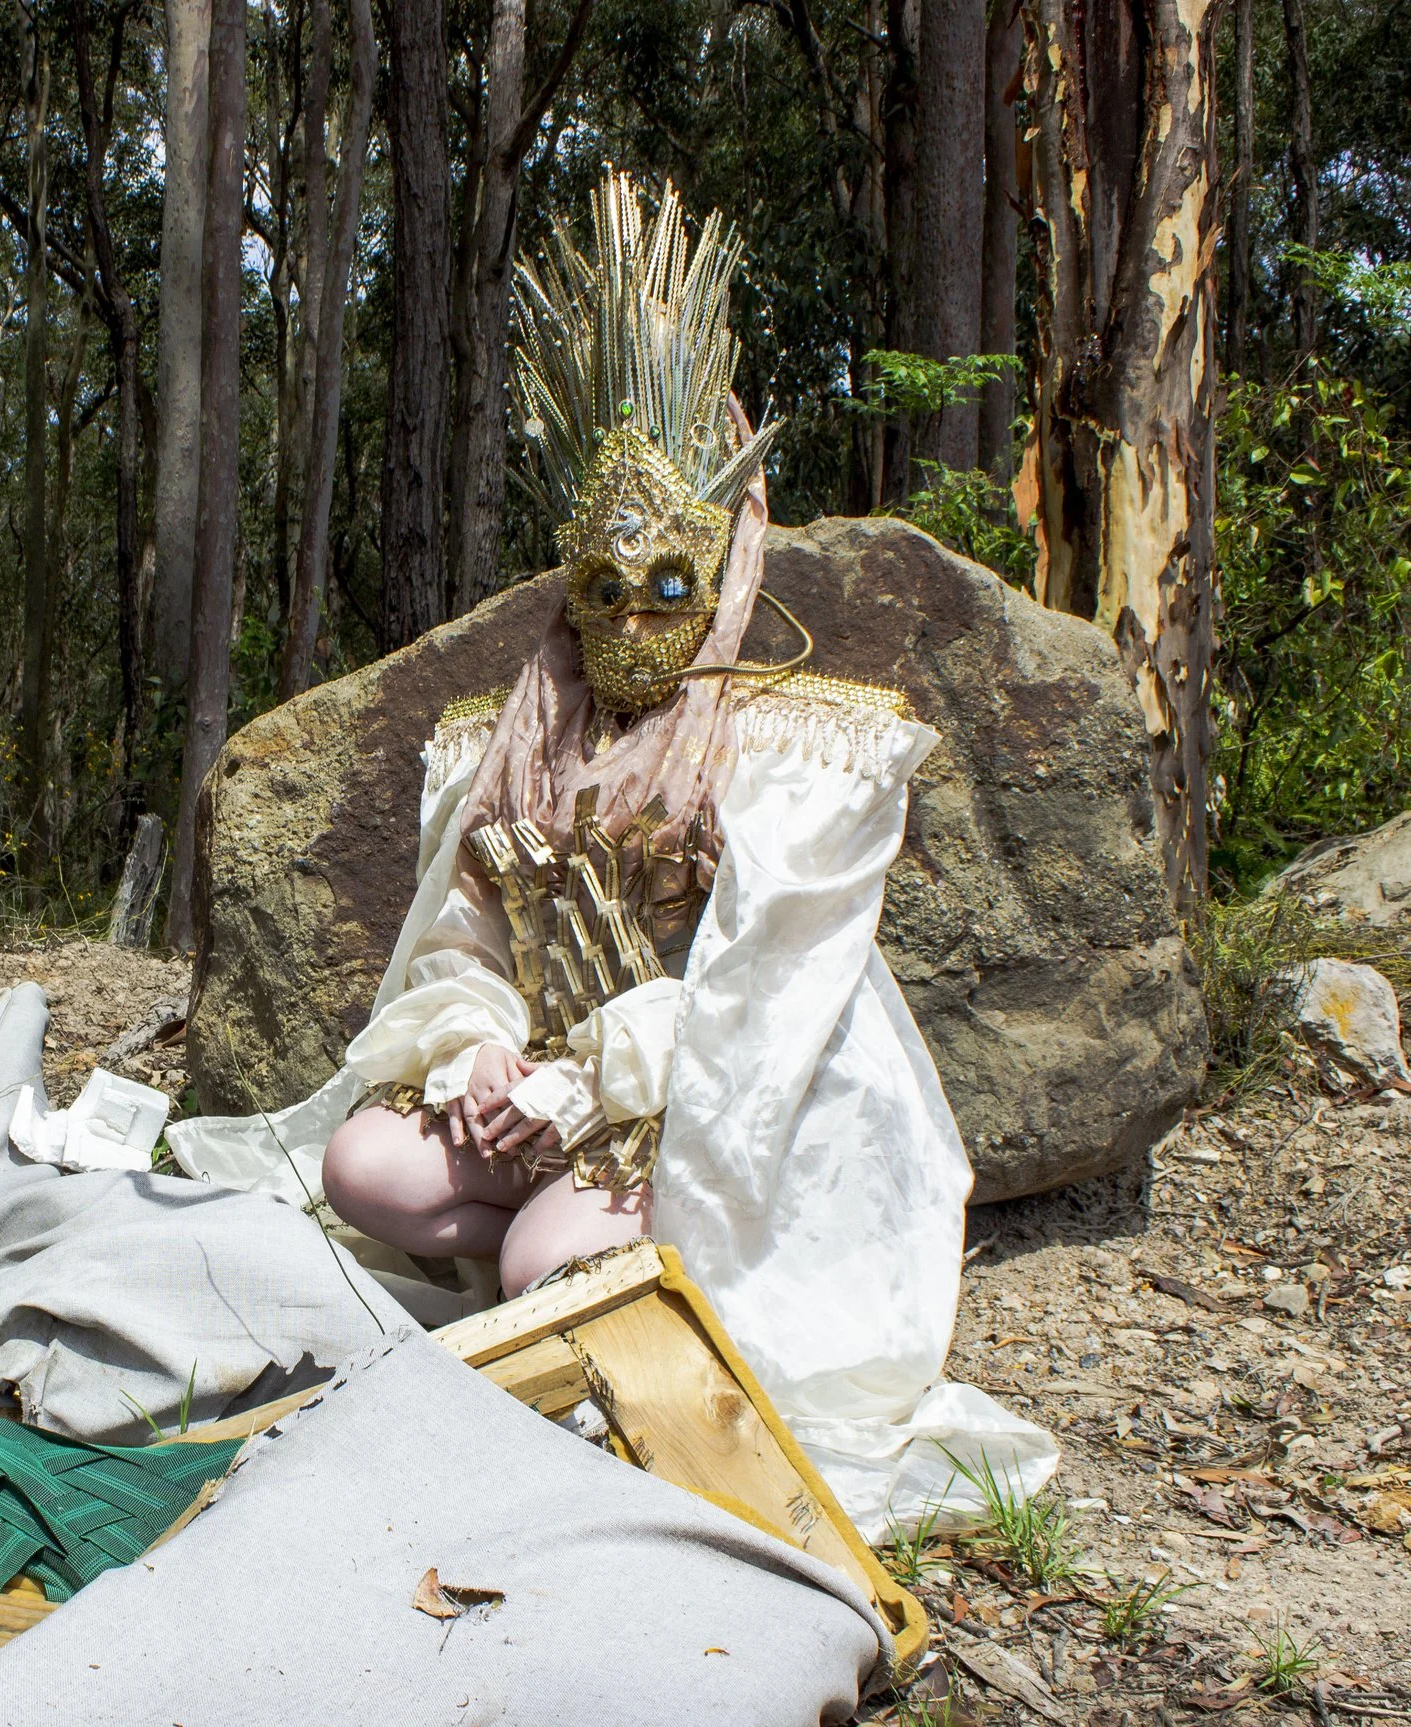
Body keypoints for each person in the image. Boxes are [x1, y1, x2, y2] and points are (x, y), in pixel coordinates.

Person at [170, 171, 1054, 1536]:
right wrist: (479, 1054)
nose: (634, 621)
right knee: (367, 1167)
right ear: (567, 592)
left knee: (538, 1251)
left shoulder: (788, 752)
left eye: (667, 589)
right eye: (603, 590)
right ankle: (551, 1279)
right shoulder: (508, 742)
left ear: (716, 580)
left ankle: (599, 1274)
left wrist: (601, 1077)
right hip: (551, 1097)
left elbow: (774, 993)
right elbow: (461, 938)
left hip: (717, 1099)